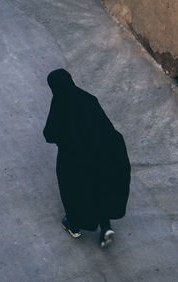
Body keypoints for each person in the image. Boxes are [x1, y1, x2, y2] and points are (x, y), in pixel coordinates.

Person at [43, 69, 131, 248]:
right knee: (100, 188)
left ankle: (74, 225)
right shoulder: (88, 98)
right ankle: (105, 226)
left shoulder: (60, 104)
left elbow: (49, 134)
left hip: (75, 160)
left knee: (74, 192)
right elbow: (105, 126)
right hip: (102, 155)